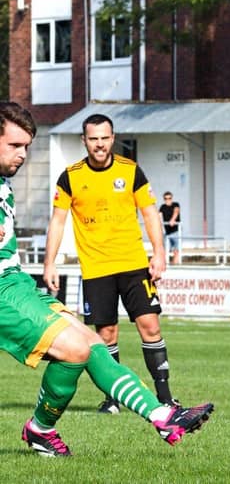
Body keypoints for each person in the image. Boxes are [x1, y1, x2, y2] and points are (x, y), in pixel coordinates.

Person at [0, 102, 213, 457]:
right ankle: (41, 428)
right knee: (75, 349)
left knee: (93, 344)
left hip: (18, 282)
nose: (23, 155)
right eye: (15, 146)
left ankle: (163, 415)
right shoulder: (70, 177)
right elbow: (57, 220)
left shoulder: (4, 182)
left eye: (27, 146)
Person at [43, 113, 177, 414]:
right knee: (106, 335)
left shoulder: (131, 171)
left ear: (112, 138)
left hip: (132, 264)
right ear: (84, 141)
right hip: (96, 269)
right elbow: (58, 221)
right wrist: (49, 263)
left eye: (105, 138)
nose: (99, 144)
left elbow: (150, 212)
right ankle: (114, 399)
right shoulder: (70, 177)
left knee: (150, 326)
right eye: (93, 139)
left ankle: (166, 397)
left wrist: (158, 253)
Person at [159, 191, 181, 265]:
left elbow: (176, 211)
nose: (168, 200)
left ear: (172, 198)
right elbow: (159, 215)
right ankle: (165, 266)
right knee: (164, 250)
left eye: (169, 198)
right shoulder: (163, 207)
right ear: (164, 199)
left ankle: (175, 267)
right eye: (166, 198)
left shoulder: (175, 204)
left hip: (175, 232)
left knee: (176, 250)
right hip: (167, 233)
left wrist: (173, 219)